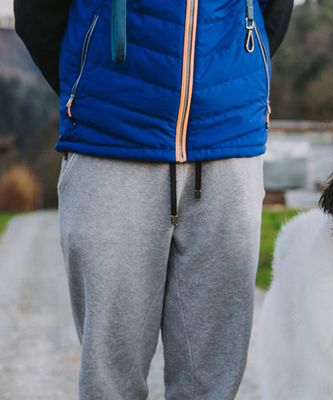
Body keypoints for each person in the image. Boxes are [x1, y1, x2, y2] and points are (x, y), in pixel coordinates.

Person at [14, 0, 292, 398]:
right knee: (109, 383)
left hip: (228, 141)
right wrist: (93, 84)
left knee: (211, 385)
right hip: (111, 141)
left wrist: (227, 76)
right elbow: (37, 13)